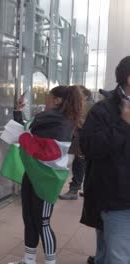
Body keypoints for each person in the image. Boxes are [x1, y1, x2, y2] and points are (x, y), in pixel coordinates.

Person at [10, 86, 84, 264]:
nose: (45, 100)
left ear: (57, 100)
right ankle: (29, 259)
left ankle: (50, 261)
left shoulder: (59, 122)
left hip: (47, 178)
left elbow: (31, 138)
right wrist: (19, 112)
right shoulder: (48, 119)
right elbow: (27, 131)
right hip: (34, 173)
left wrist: (25, 133)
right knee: (29, 218)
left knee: (42, 221)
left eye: (48, 97)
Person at [80, 56, 130, 264]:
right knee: (117, 256)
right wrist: (123, 125)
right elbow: (89, 147)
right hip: (117, 200)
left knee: (107, 253)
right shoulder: (104, 110)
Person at [60, 86, 94, 200]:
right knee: (85, 165)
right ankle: (86, 189)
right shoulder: (91, 104)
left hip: (83, 139)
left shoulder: (86, 105)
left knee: (79, 163)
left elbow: (81, 122)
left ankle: (74, 190)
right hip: (87, 139)